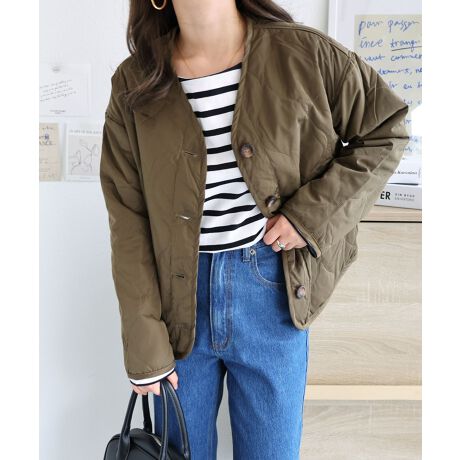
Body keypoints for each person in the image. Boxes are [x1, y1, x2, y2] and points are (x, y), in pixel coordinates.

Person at [99, 0, 410, 458]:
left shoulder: (305, 54)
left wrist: (309, 217)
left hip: (273, 292)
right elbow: (128, 216)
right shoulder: (135, 82)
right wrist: (142, 339)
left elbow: (386, 130)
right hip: (175, 307)